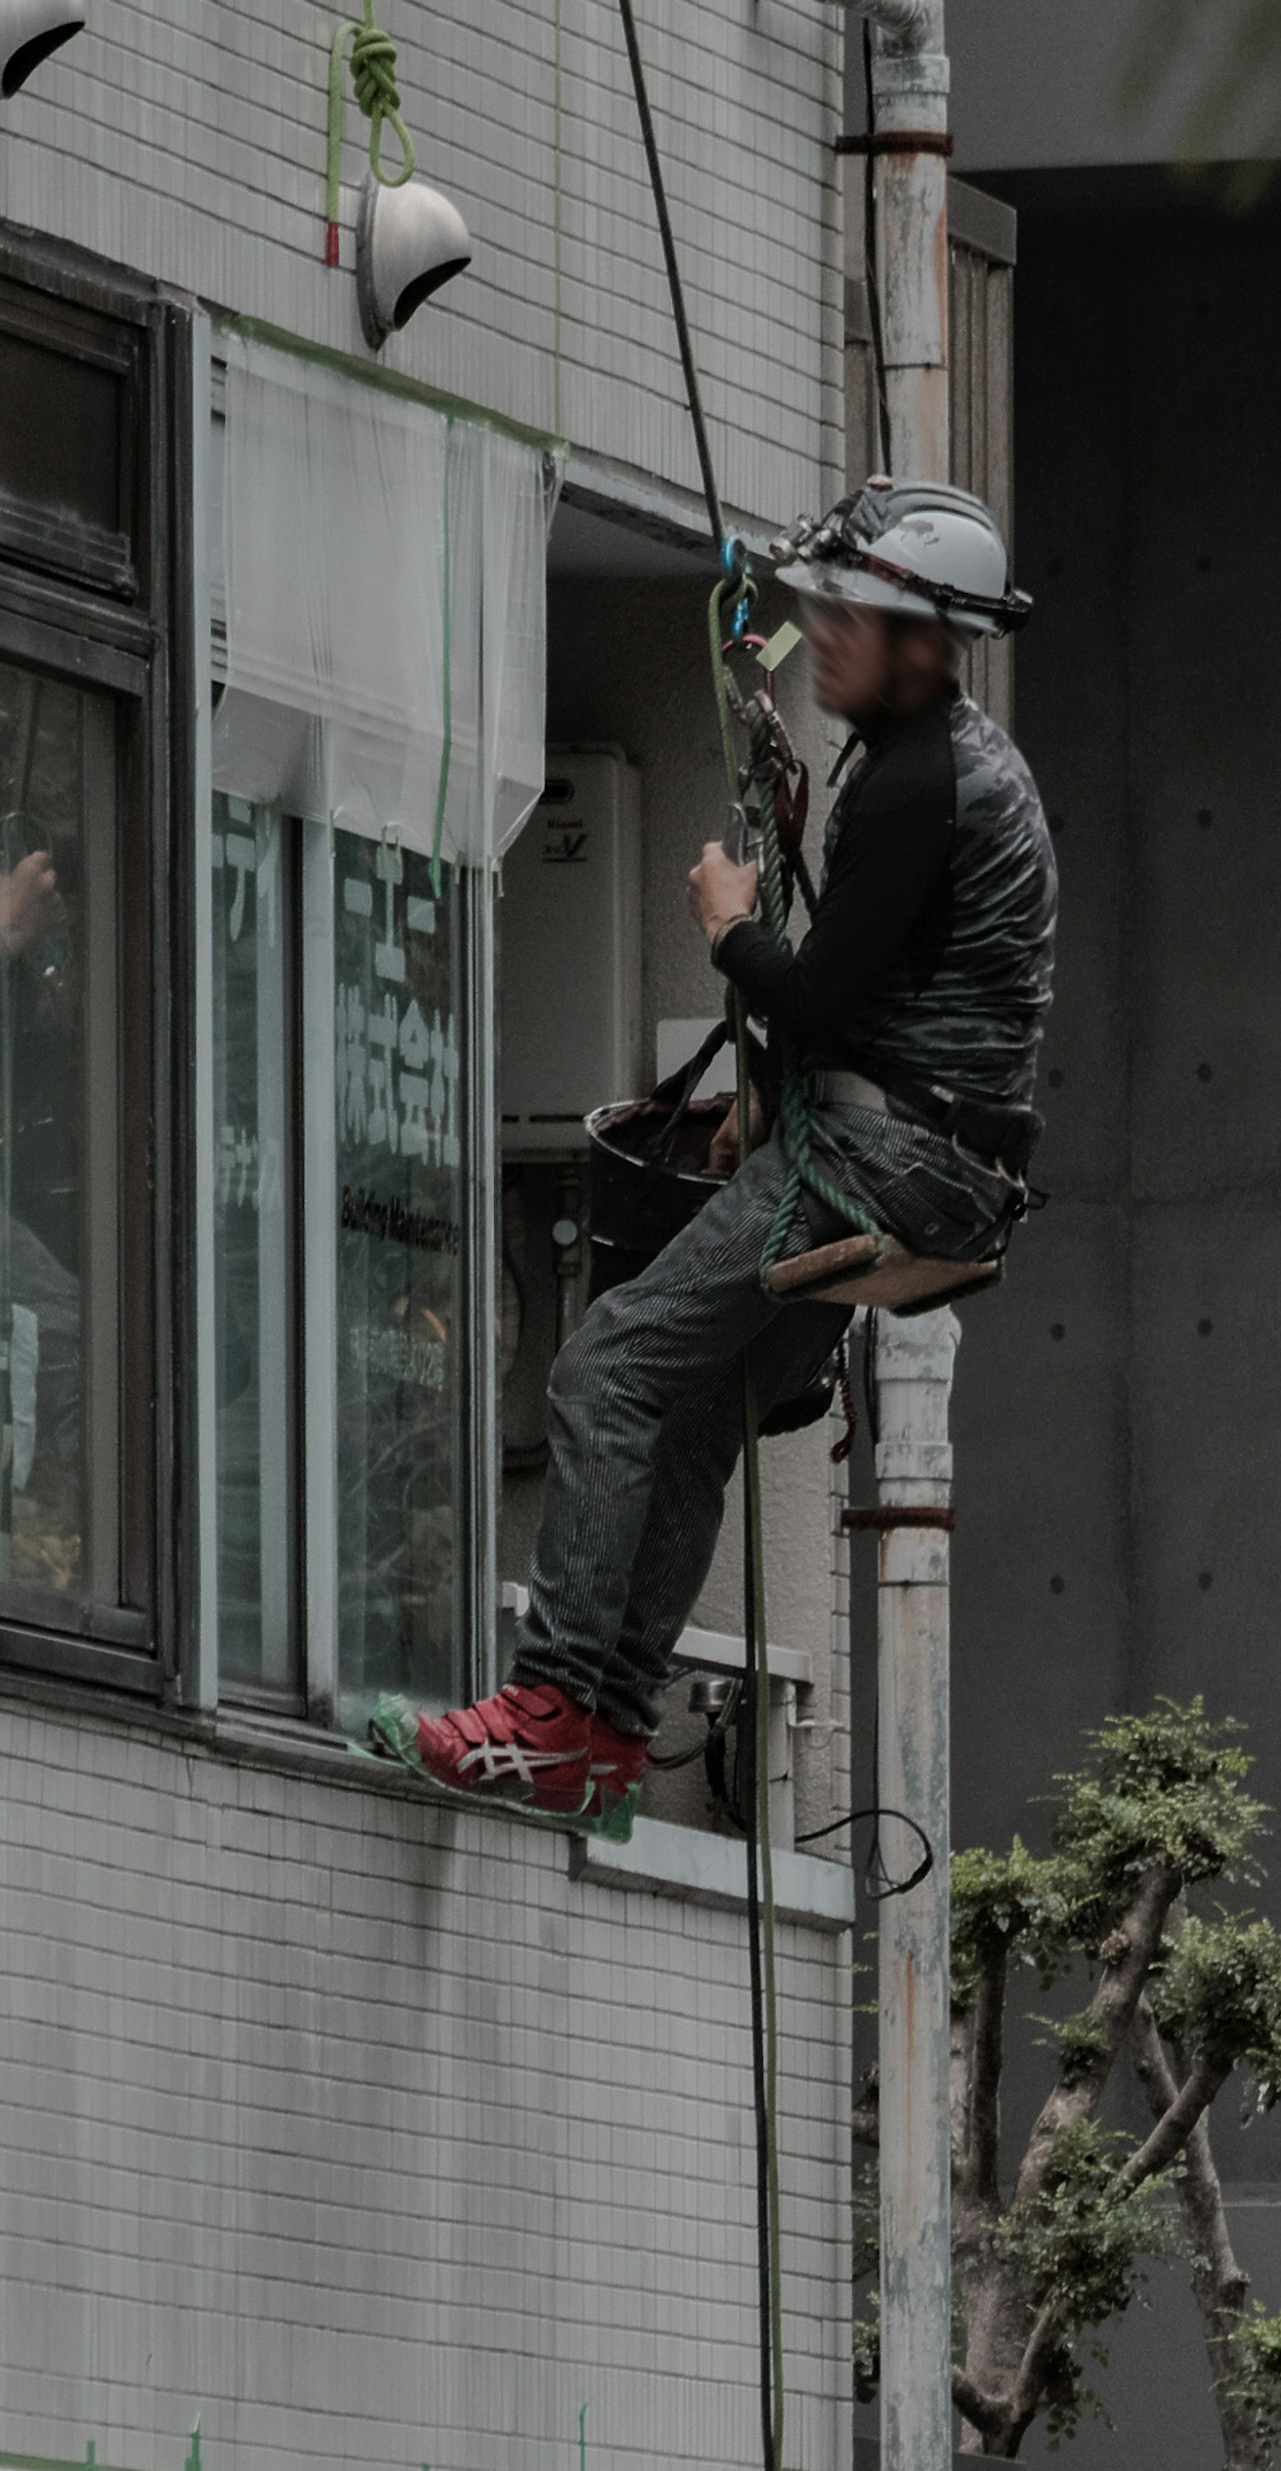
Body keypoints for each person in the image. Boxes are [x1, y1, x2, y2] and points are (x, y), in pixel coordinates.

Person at [385, 473, 1053, 1823]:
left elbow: (814, 993)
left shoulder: (920, 777)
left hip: (883, 1163)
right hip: (942, 1185)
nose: (825, 635)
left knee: (604, 1371)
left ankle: (555, 1702)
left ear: (920, 636)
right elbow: (880, 998)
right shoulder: (961, 761)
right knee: (688, 1426)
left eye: (844, 616)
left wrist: (727, 921)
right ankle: (609, 1730)